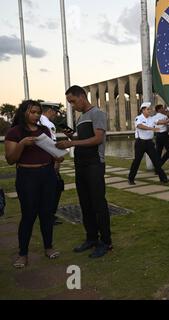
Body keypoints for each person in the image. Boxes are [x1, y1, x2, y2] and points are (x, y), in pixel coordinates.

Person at [55, 85, 112, 259]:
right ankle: (92, 238)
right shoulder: (81, 118)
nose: (72, 105)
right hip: (81, 164)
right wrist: (71, 136)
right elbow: (82, 139)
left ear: (82, 96)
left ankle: (106, 242)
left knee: (98, 204)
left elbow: (97, 139)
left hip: (94, 164)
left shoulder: (97, 113)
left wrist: (71, 144)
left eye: (72, 101)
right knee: (85, 204)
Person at [5, 100, 62, 268]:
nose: (36, 115)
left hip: (47, 174)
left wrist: (57, 156)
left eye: (38, 112)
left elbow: (51, 151)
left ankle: (49, 247)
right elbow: (10, 160)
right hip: (27, 176)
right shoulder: (14, 132)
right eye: (33, 112)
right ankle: (23, 254)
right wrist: (22, 144)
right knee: (28, 215)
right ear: (24, 113)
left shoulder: (44, 130)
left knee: (47, 214)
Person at [128, 103, 169, 185]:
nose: (150, 111)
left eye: (150, 109)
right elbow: (140, 126)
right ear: (143, 110)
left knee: (156, 160)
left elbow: (161, 122)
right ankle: (131, 178)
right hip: (140, 143)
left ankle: (163, 179)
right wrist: (151, 128)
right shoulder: (138, 118)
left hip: (149, 143)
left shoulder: (151, 118)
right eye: (148, 109)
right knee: (137, 161)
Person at [40, 102, 64, 225]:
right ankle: (49, 216)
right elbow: (52, 145)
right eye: (55, 112)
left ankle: (45, 215)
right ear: (50, 110)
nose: (55, 115)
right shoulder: (48, 124)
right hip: (48, 161)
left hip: (38, 161)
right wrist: (57, 161)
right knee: (55, 187)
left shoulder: (38, 121)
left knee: (43, 190)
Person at [153, 104, 169, 168]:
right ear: (159, 109)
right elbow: (165, 122)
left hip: (158, 136)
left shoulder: (154, 117)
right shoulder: (164, 116)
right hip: (164, 135)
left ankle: (157, 167)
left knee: (158, 152)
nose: (163, 109)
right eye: (162, 108)